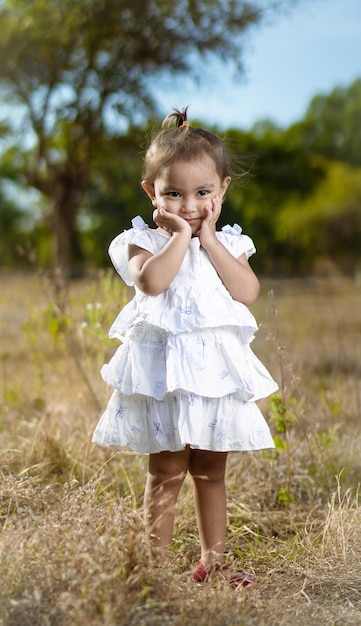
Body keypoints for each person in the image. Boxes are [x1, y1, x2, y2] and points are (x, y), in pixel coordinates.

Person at [92, 107, 278, 588]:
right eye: (174, 193)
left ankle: (213, 563)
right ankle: (152, 568)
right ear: (151, 192)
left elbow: (247, 292)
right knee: (168, 468)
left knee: (212, 470)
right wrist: (177, 236)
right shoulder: (141, 241)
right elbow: (152, 283)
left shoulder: (230, 244)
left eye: (202, 193)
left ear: (222, 191)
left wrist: (209, 239)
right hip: (165, 381)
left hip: (212, 381)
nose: (190, 205)